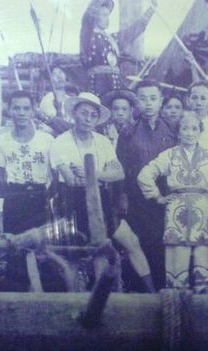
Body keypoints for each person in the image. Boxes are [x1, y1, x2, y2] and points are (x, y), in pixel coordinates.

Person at [50, 92, 155, 292]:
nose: (88, 119)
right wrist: (101, 175)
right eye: (84, 113)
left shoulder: (102, 141)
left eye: (93, 115)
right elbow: (71, 180)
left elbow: (119, 173)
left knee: (131, 241)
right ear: (74, 114)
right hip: (73, 203)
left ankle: (151, 292)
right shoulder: (60, 143)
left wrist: (93, 173)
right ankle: (81, 299)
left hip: (101, 199)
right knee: (81, 255)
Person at [138, 112, 208, 292]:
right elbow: (145, 175)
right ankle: (176, 302)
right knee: (176, 265)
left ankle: (203, 299)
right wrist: (158, 196)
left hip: (203, 210)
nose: (189, 133)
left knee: (203, 263)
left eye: (194, 129)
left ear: (200, 131)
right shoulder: (169, 155)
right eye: (185, 128)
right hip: (177, 210)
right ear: (178, 132)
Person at [0, 90, 54, 289]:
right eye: (16, 108)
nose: (21, 113)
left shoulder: (46, 140)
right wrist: (14, 194)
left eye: (26, 108)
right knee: (14, 249)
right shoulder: (2, 141)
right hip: (14, 200)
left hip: (40, 199)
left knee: (43, 250)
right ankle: (16, 296)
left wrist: (44, 196)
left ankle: (46, 297)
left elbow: (55, 175)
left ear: (33, 110)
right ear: (9, 110)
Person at [117, 79, 176, 290]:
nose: (148, 103)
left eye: (153, 98)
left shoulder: (173, 129)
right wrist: (123, 196)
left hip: (166, 197)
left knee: (164, 242)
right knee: (139, 242)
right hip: (137, 199)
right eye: (143, 99)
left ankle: (163, 288)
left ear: (161, 101)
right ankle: (141, 292)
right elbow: (121, 167)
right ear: (137, 102)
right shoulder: (128, 133)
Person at [80, 0, 158, 96]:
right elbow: (86, 19)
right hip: (97, 86)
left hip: (115, 85)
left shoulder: (113, 39)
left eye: (108, 15)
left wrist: (151, 10)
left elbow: (133, 31)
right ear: (95, 17)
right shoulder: (88, 36)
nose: (107, 19)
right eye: (104, 15)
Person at [185, 81, 208, 147]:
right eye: (194, 98)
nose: (198, 103)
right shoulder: (180, 127)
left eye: (203, 98)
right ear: (187, 101)